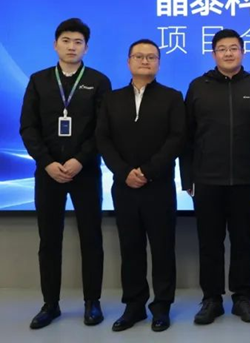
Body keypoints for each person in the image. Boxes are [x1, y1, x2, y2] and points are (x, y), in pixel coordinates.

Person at [20, 17, 110, 329]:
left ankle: (92, 302)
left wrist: (80, 160)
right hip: (48, 173)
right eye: (66, 41)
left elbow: (102, 129)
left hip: (85, 171)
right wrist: (47, 162)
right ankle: (51, 304)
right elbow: (28, 127)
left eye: (78, 42)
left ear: (86, 48)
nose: (72, 47)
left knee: (91, 238)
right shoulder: (39, 80)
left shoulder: (98, 81)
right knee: (49, 240)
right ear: (55, 44)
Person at [180, 29, 250, 325]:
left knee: (244, 241)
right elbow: (186, 136)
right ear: (213, 54)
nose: (228, 53)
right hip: (206, 179)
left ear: (243, 52)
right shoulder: (198, 87)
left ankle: (243, 298)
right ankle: (211, 299)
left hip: (246, 180)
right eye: (222, 49)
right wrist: (187, 178)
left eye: (234, 48)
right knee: (209, 243)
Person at [96, 39, 185, 332]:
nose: (145, 61)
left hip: (158, 185)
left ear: (158, 63)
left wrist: (147, 171)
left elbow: (176, 138)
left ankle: (161, 307)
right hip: (124, 187)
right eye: (138, 56)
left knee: (162, 249)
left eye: (151, 57)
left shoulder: (172, 97)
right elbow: (103, 139)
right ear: (128, 62)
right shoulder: (112, 99)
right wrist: (124, 172)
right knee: (130, 248)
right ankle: (133, 306)